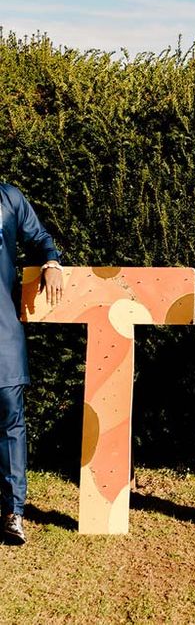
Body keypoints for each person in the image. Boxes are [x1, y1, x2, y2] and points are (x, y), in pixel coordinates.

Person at [0, 183, 63, 545]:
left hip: (3, 333)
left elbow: (39, 238)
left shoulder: (9, 198)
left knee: (10, 418)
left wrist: (51, 262)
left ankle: (13, 513)